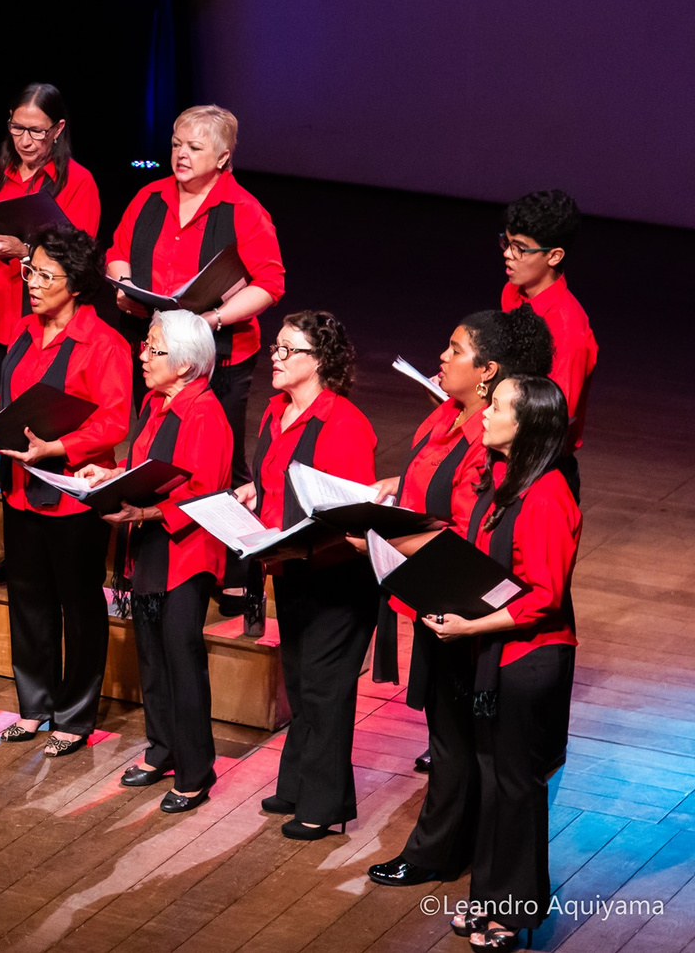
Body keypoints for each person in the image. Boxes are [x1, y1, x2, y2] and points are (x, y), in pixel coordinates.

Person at [366, 308, 553, 885]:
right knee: (448, 734)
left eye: (454, 350)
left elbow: (471, 526)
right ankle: (454, 846)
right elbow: (426, 486)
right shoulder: (447, 413)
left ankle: (435, 854)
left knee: (457, 738)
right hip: (428, 586)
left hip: (460, 599)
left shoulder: (490, 436)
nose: (441, 358)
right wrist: (390, 494)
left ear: (488, 370)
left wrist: (384, 533)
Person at [419, 376, 578, 950]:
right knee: (492, 778)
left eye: (497, 407)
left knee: (515, 785)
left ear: (526, 424)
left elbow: (544, 596)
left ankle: (513, 912)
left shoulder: (548, 493)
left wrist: (468, 627)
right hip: (494, 654)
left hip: (530, 659)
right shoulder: (500, 482)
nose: (483, 414)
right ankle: (487, 897)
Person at [0, 226, 132, 756]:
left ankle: (75, 714)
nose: (32, 283)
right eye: (29, 271)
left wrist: (58, 447)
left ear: (77, 284)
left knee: (79, 606)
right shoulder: (22, 330)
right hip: (20, 489)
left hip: (71, 495)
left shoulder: (103, 343)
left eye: (44, 275)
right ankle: (34, 705)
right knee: (28, 601)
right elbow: (13, 394)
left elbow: (113, 423)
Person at [78, 310, 231, 809]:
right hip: (147, 548)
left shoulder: (205, 413)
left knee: (180, 661)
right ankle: (162, 748)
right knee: (151, 655)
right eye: (145, 345)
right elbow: (144, 468)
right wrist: (110, 476)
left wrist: (143, 510)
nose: (142, 355)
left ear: (186, 365)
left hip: (184, 555)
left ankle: (195, 770)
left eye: (154, 349)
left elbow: (204, 492)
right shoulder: (156, 403)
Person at [235, 311, 377, 839]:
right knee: (300, 680)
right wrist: (256, 497)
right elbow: (275, 482)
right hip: (290, 566)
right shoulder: (276, 411)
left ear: (319, 362)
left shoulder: (344, 425)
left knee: (325, 688)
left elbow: (350, 510)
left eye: (286, 350)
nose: (274, 356)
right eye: (275, 347)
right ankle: (297, 784)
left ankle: (324, 804)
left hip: (338, 578)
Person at [108, 105, 284, 496]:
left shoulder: (244, 211)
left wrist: (212, 319)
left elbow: (270, 283)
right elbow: (118, 250)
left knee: (217, 460)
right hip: (156, 351)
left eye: (194, 147)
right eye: (176, 145)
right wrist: (124, 286)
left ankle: (226, 543)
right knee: (155, 444)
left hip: (219, 355)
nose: (181, 155)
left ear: (223, 157)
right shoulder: (149, 197)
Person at [0, 84, 101, 396]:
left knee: (31, 413)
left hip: (46, 320)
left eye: (37, 131)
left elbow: (81, 261)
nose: (25, 141)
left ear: (58, 129)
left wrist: (24, 250)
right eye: (17, 128)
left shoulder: (78, 182)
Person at [498, 190, 597, 498]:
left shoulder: (567, 331)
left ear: (554, 255)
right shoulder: (512, 293)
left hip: (541, 471)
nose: (508, 254)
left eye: (520, 248)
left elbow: (555, 421)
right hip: (503, 449)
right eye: (507, 242)